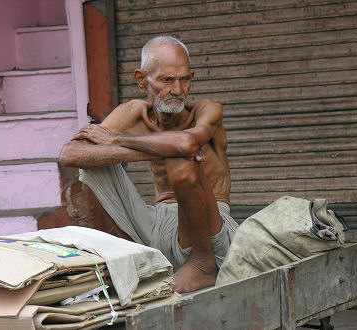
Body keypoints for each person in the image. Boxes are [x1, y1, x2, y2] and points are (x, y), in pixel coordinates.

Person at [59, 36, 238, 293]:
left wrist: (118, 140)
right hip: (157, 227)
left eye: (185, 79)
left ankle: (202, 265)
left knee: (181, 159)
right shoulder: (134, 112)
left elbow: (186, 144)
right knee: (92, 161)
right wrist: (150, 151)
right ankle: (136, 255)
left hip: (211, 234)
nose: (178, 90)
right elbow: (69, 154)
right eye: (167, 80)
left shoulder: (207, 111)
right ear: (142, 81)